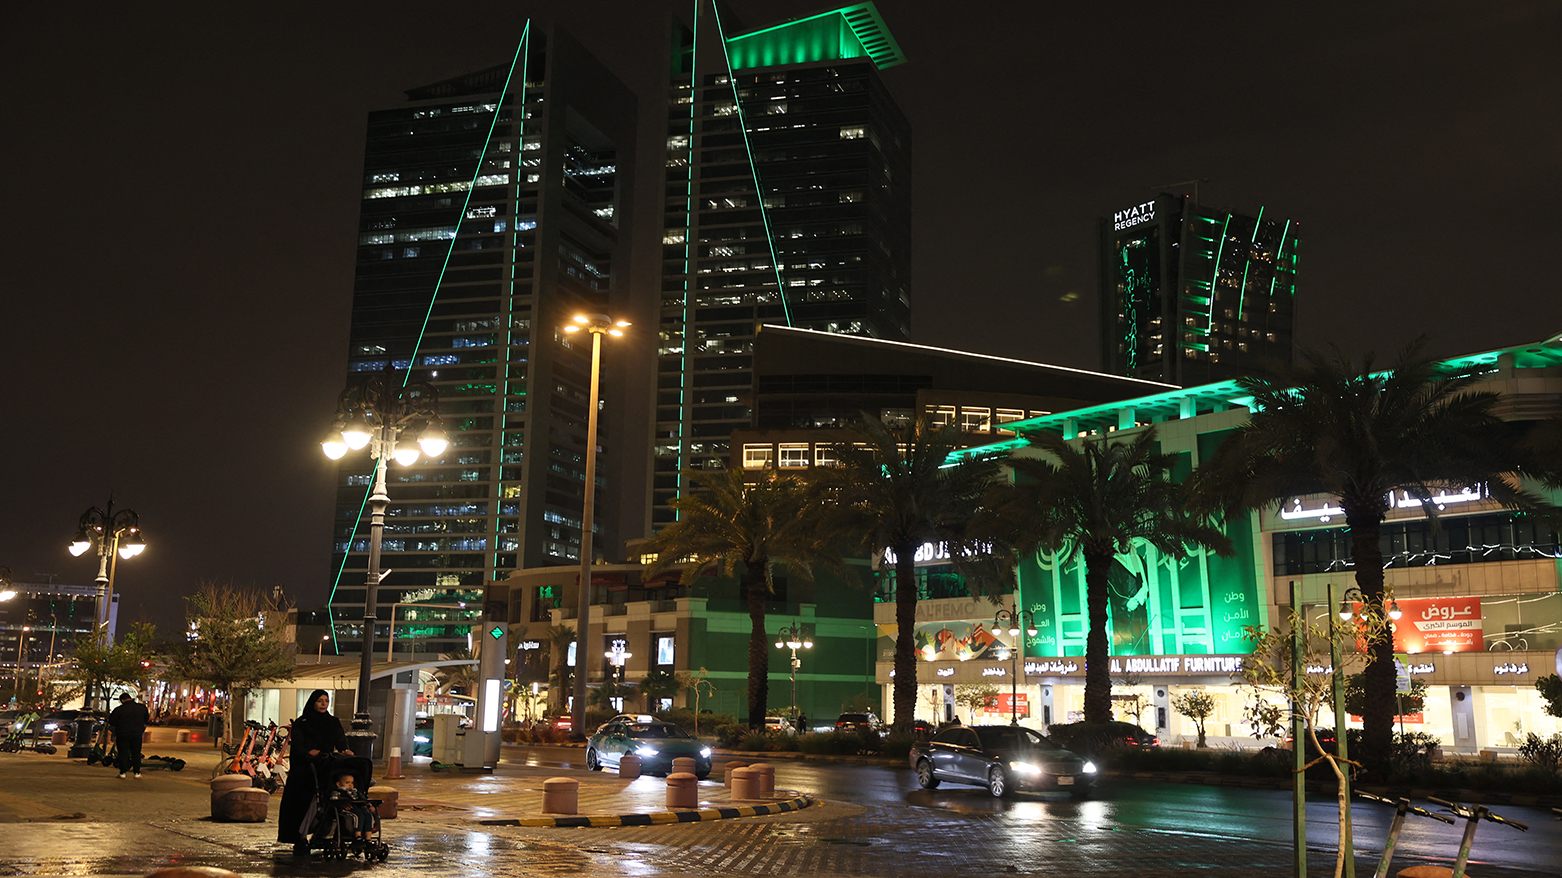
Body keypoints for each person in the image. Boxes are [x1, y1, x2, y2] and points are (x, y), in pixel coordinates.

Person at [277, 689, 349, 854]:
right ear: (313, 702)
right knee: (306, 801)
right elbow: (299, 747)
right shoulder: (302, 723)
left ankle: (326, 833)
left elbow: (340, 740)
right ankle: (300, 835)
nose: (324, 704)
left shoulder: (333, 722)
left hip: (326, 766)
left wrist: (345, 750)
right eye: (320, 701)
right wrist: (309, 753)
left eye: (326, 701)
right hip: (306, 769)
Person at [107, 692, 150, 778]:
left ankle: (123, 772)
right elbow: (146, 719)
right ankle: (137, 772)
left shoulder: (119, 709)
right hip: (137, 734)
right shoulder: (141, 708)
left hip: (123, 734)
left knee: (123, 753)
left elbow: (112, 721)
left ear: (122, 700)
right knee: (136, 753)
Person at [329, 771, 378, 842]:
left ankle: (368, 837)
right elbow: (334, 801)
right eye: (347, 783)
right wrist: (342, 804)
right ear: (338, 784)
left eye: (352, 782)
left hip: (359, 807)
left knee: (368, 814)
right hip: (347, 809)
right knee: (359, 816)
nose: (350, 785)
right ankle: (358, 835)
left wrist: (369, 805)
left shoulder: (355, 792)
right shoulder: (338, 792)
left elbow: (363, 799)